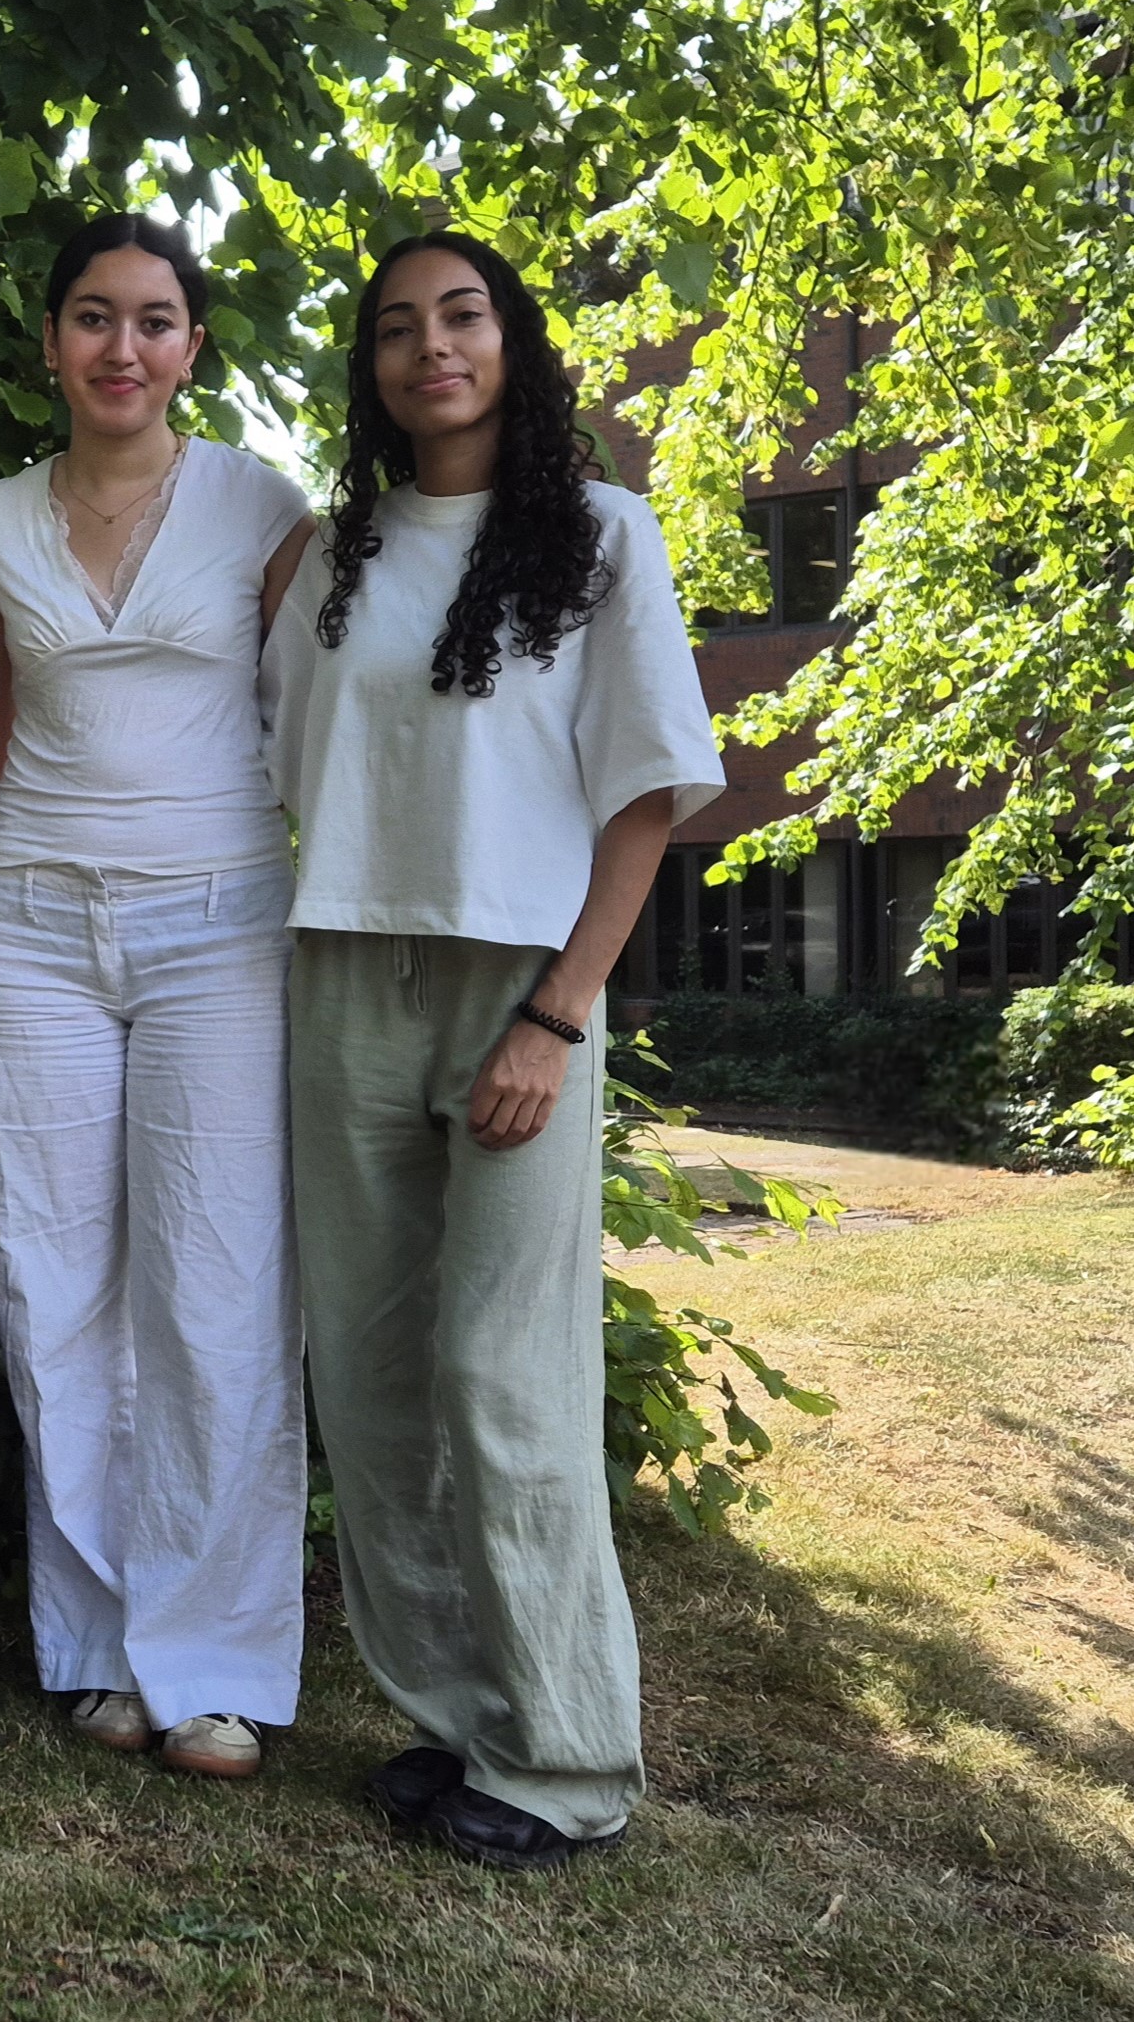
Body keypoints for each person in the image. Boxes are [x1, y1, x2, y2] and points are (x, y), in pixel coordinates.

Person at [264, 230, 725, 1868]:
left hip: (518, 985)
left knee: (499, 1373)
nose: (430, 348)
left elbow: (645, 795)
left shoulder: (599, 536)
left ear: (512, 345)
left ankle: (570, 1757)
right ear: (370, 370)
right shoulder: (330, 555)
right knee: (368, 1377)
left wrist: (557, 1011)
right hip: (341, 972)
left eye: (460, 316)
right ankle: (461, 1717)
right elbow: (280, 761)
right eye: (396, 328)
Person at [0, 215, 316, 1779]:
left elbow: (315, 721)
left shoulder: (263, 509)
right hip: (27, 932)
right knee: (53, 1290)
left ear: (190, 347)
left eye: (153, 320)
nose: (121, 347)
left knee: (216, 1294)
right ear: (49, 342)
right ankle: (100, 1647)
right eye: (92, 317)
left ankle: (213, 1666)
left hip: (219, 931)